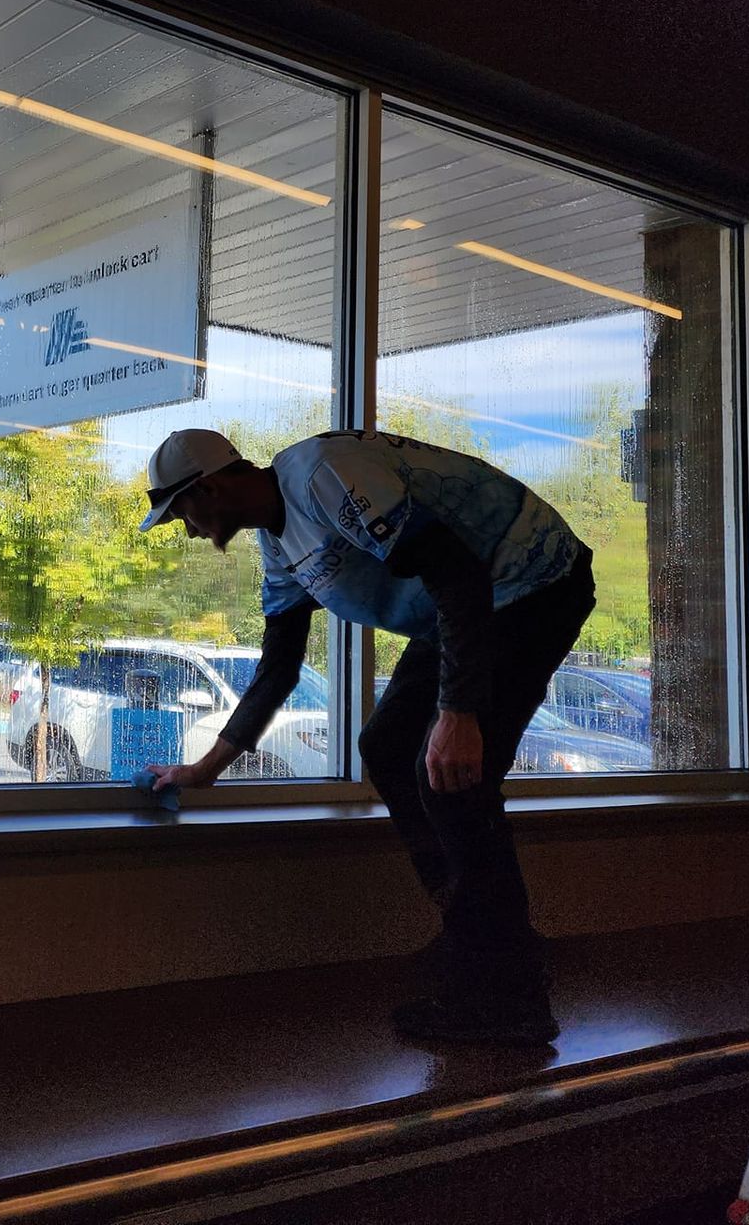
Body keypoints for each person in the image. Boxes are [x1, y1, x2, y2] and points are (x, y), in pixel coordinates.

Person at [139, 428, 594, 1047]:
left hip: (532, 585)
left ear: (210, 487)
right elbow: (279, 669)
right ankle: (477, 934)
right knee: (386, 747)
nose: (186, 530)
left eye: (180, 514)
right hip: (462, 611)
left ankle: (512, 1000)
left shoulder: (325, 474)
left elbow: (456, 572)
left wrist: (459, 713)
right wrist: (205, 769)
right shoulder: (281, 545)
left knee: (454, 779)